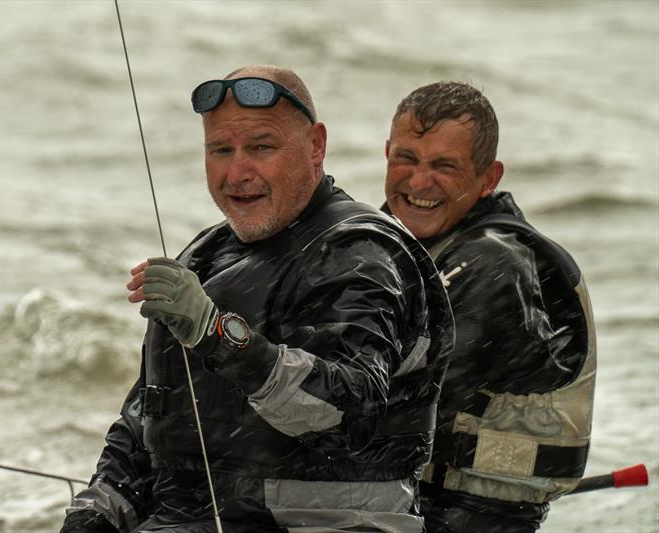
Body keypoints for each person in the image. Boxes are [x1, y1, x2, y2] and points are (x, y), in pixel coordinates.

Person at [59, 65, 453, 533]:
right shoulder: (204, 255)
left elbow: (345, 414)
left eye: (261, 147)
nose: (237, 172)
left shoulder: (362, 254)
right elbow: (145, 421)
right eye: (220, 150)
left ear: (315, 147)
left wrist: (215, 334)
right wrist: (97, 512)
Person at [382, 81, 596, 532]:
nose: (419, 182)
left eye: (444, 166)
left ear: (488, 179)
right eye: (407, 158)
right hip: (408, 502)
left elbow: (390, 409)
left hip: (473, 517)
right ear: (387, 153)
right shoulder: (390, 245)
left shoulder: (495, 264)